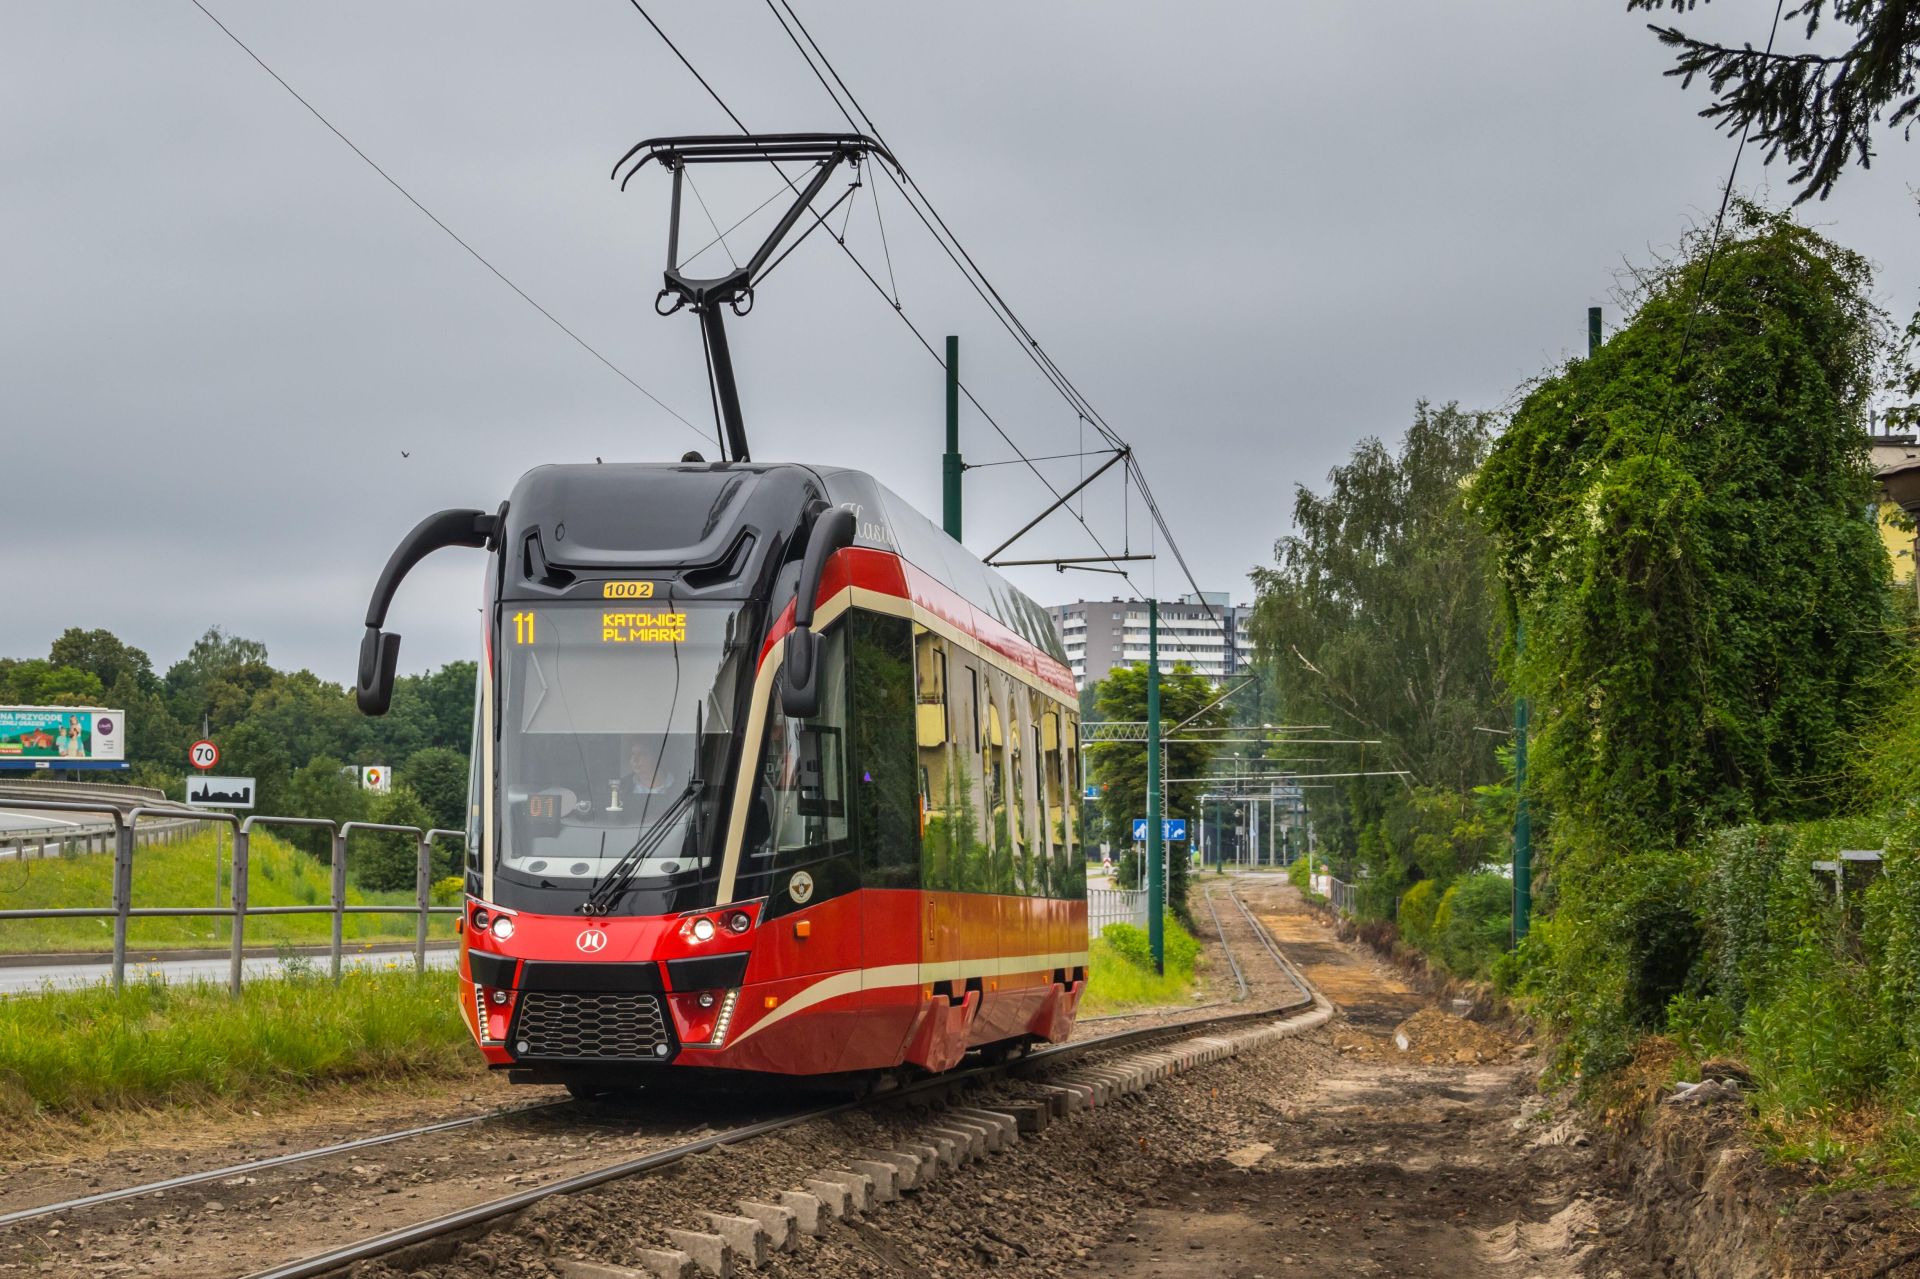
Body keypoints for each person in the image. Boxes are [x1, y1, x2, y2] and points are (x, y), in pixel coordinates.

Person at [611, 738, 682, 813]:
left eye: (641, 754)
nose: (635, 759)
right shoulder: (622, 786)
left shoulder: (679, 784)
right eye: (632, 754)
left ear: (655, 756)